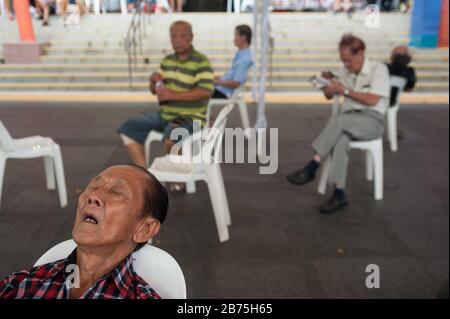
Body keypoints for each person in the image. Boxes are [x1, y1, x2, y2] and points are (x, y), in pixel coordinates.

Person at [0, 165, 168, 299]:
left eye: (117, 192)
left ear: (145, 229)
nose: (93, 195)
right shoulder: (20, 285)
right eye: (93, 186)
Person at [286, 34, 390, 214]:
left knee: (338, 120)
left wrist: (345, 91)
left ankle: (312, 166)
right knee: (340, 139)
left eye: (349, 60)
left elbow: (373, 100)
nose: (346, 65)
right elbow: (328, 95)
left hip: (372, 120)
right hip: (348, 121)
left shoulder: (378, 69)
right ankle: (339, 192)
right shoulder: (344, 71)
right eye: (343, 61)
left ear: (361, 53)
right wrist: (327, 84)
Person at [117, 21, 214, 170]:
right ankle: (144, 175)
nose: (178, 40)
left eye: (183, 36)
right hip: (165, 115)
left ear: (191, 37)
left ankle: (180, 178)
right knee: (128, 129)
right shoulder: (167, 61)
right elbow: (155, 90)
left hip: (192, 117)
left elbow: (206, 91)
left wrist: (173, 95)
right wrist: (153, 81)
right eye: (174, 36)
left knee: (172, 140)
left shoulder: (201, 61)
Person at [213, 25, 254, 99]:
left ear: (243, 37)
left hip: (222, 92)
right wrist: (219, 79)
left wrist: (217, 82)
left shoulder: (244, 59)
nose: (234, 39)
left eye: (236, 35)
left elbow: (236, 83)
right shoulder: (241, 56)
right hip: (220, 89)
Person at [385, 45, 416, 140]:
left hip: (376, 100)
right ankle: (392, 129)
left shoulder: (384, 67)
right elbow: (409, 89)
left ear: (393, 56)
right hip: (392, 103)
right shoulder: (410, 71)